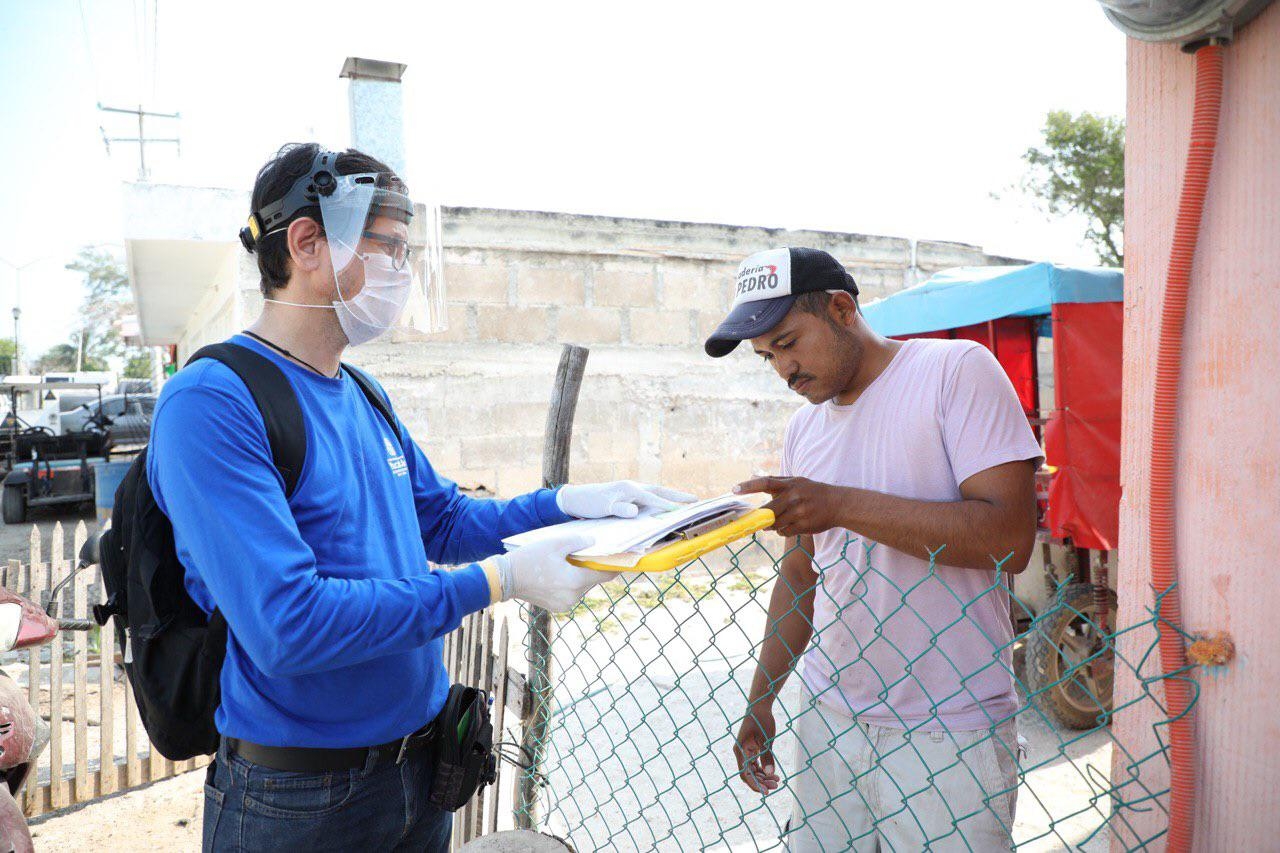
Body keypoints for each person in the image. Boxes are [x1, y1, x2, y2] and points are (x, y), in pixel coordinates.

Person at [150, 142, 690, 852]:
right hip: (300, 798)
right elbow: (287, 624)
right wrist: (500, 580)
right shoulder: (214, 401)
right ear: (307, 241)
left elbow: (443, 519)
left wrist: (570, 505)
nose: (401, 273)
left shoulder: (362, 393)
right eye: (390, 250)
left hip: (418, 771)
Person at [705, 247, 1042, 851]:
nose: (783, 368)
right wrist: (762, 697)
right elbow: (803, 573)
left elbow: (1008, 540)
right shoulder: (805, 428)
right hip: (830, 715)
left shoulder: (954, 372)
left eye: (788, 342)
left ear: (841, 309)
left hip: (950, 726)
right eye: (767, 357)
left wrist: (837, 504)